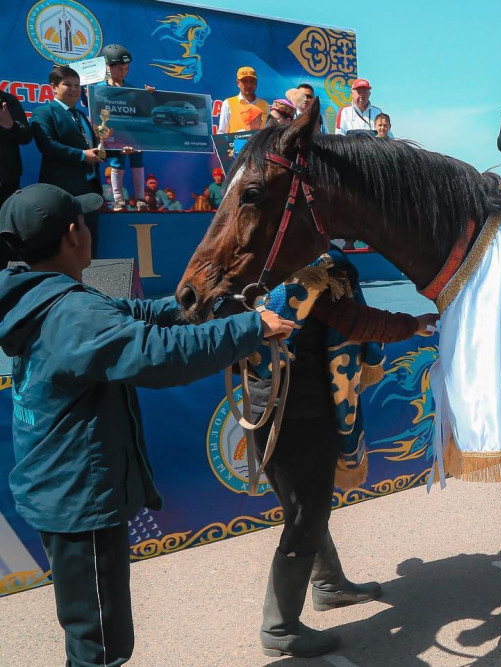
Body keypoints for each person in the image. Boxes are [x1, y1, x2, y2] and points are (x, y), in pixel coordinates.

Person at [0, 183, 294, 667]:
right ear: (76, 235)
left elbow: (129, 314)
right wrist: (250, 328)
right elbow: (158, 357)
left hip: (58, 491)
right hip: (79, 502)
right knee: (100, 645)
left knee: (93, 631)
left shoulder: (45, 297)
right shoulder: (73, 313)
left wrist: (195, 307)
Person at [245, 248, 436, 657]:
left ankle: (329, 584)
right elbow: (357, 322)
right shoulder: (315, 273)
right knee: (304, 516)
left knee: (307, 507)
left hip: (266, 409)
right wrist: (412, 324)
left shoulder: (259, 268)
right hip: (301, 416)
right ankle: (279, 627)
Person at [30, 65, 103, 256]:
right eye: (67, 85)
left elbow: (93, 149)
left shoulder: (82, 116)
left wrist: (117, 150)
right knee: (63, 247)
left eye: (77, 85)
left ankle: (87, 285)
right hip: (62, 191)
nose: (74, 89)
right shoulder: (44, 112)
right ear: (54, 87)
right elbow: (48, 146)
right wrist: (82, 155)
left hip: (90, 190)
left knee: (88, 247)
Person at [96, 44, 153, 211]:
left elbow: (143, 108)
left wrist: (149, 96)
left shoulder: (132, 89)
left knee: (137, 159)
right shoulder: (99, 88)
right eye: (120, 69)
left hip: (133, 133)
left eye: (127, 69)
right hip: (114, 133)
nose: (124, 72)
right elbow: (93, 108)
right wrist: (88, 96)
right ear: (108, 67)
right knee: (117, 161)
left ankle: (140, 199)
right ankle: (118, 199)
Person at [0, 88, 32, 268]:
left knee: (6, 244)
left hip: (6, 187)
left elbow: (26, 136)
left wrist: (9, 124)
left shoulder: (8, 101)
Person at [218, 67, 269, 133]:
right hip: (236, 143)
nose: (249, 85)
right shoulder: (228, 103)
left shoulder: (265, 105)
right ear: (237, 83)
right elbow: (222, 133)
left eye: (252, 81)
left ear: (256, 83)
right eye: (245, 81)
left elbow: (269, 133)